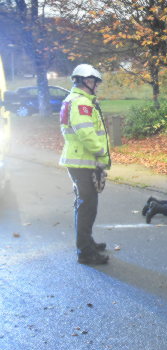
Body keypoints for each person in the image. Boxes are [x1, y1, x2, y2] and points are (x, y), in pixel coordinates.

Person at [59, 64, 111, 265]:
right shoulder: (81, 103)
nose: (96, 86)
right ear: (84, 82)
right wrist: (101, 151)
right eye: (94, 82)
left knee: (85, 203)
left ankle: (87, 242)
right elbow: (85, 132)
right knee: (87, 205)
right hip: (83, 160)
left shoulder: (76, 100)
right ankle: (85, 252)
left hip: (79, 160)